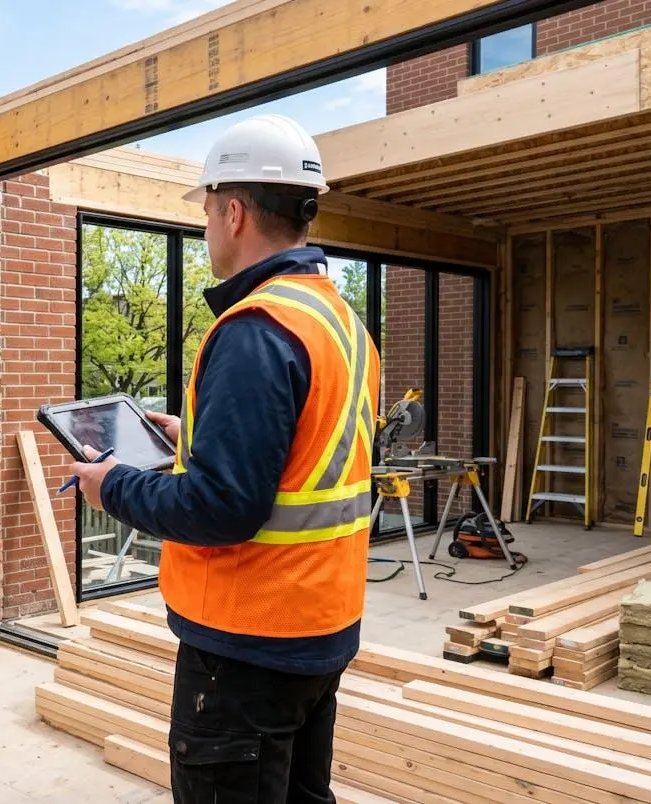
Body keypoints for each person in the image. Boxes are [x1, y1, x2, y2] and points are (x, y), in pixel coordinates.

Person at [69, 114, 380, 803]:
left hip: (248, 645)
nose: (207, 228)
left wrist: (111, 485)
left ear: (234, 212)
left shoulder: (256, 329)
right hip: (318, 629)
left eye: (209, 211)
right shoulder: (339, 321)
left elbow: (221, 508)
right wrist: (202, 435)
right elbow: (312, 451)